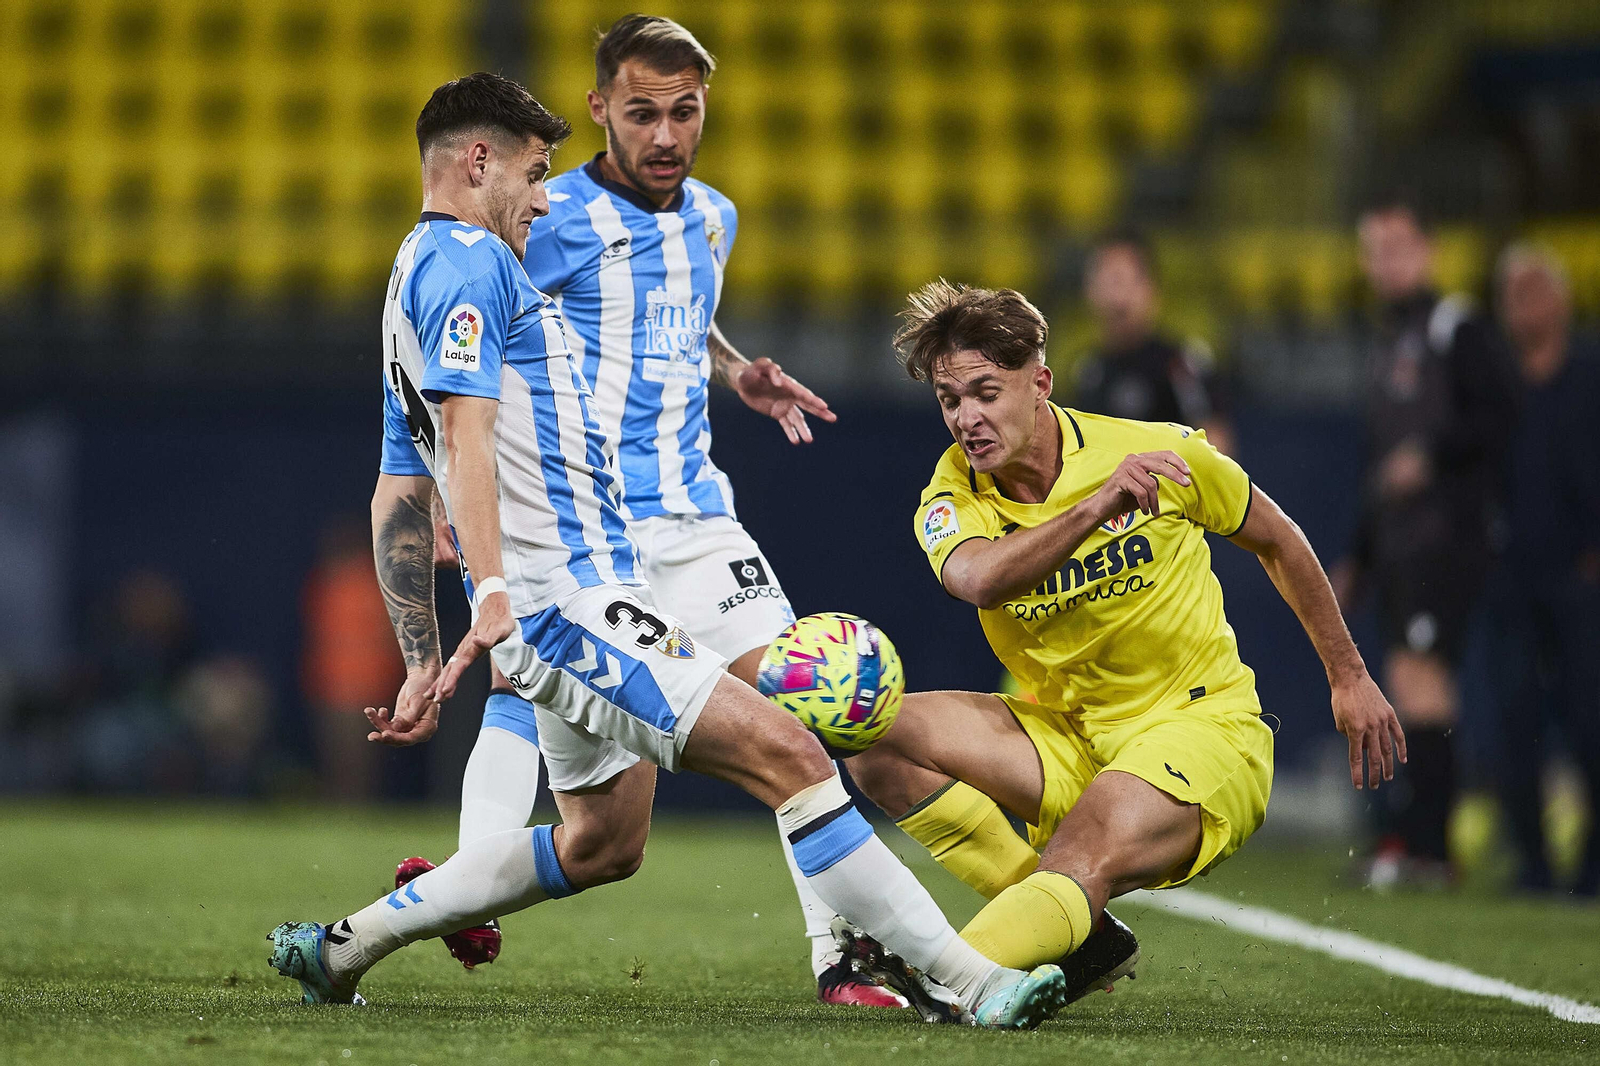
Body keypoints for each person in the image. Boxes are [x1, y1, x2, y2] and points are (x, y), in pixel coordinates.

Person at [267, 72, 1067, 1030]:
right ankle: (970, 983)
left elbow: (400, 486)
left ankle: (341, 948)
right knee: (793, 750)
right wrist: (489, 593)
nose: (543, 195)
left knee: (604, 842)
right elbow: (465, 445)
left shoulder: (415, 276)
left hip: (578, 594)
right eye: (531, 172)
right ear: (478, 162)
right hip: (572, 602)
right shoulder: (471, 264)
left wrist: (422, 656)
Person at [399, 16, 894, 1008]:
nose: (666, 135)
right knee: (532, 697)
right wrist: (451, 494)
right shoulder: (545, 217)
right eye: (642, 114)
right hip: (581, 527)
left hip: (697, 521)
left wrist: (733, 366)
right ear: (598, 112)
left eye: (685, 111)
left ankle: (843, 956)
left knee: (799, 709)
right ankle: (469, 879)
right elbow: (461, 343)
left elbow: (671, 297)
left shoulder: (715, 216)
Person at [828, 280, 1404, 985]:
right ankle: (1080, 929)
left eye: (986, 392)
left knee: (1081, 851)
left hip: (1200, 728)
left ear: (1040, 383)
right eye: (950, 401)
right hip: (1070, 735)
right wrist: (1097, 509)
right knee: (869, 731)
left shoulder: (1158, 452)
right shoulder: (952, 493)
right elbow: (979, 580)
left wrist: (1348, 674)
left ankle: (940, 973)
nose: (966, 419)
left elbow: (1279, 538)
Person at [1335, 196, 1515, 888]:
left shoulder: (1453, 327)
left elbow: (1501, 413)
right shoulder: (1391, 340)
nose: (1385, 262)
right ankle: (1410, 840)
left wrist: (1433, 456)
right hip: (1403, 544)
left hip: (1448, 538)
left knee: (1420, 678)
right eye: (1374, 249)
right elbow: (1383, 466)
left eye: (1398, 246)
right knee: (1406, 680)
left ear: (1428, 250)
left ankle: (1428, 846)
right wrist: (1362, 552)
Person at [1489, 244, 1600, 897]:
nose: (1521, 303)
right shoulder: (1497, 382)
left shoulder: (1589, 376)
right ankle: (1532, 861)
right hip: (1511, 577)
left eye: (1533, 289)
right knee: (1514, 721)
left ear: (1562, 300)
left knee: (1591, 722)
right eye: (1511, 292)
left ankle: (1592, 865)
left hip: (1581, 576)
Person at [1073, 228, 1234, 456]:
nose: (1118, 299)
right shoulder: (1089, 371)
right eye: (1108, 281)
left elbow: (1216, 447)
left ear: (1151, 290)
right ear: (1090, 292)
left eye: (1125, 280)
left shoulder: (1180, 362)